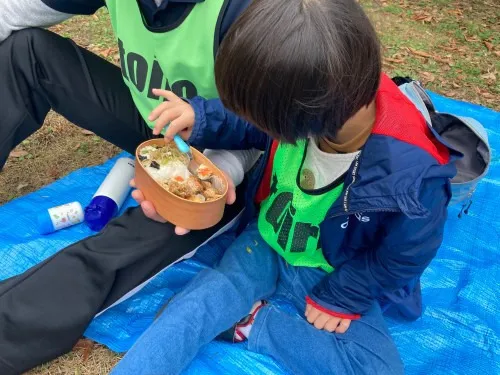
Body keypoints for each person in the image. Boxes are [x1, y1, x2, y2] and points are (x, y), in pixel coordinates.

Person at [111, 0, 458, 374]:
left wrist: (344, 294)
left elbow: (403, 257)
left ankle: (249, 324)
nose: (256, 124)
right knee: (196, 308)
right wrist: (203, 117)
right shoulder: (315, 90)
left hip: (331, 268)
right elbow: (254, 119)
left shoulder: (411, 177)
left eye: (262, 117)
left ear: (300, 116)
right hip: (266, 238)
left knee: (376, 368)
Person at [0, 1, 261, 374]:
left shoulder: (241, 11)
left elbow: (265, 121)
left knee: (133, 239)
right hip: (155, 122)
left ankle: (9, 327)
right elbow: (13, 11)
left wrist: (200, 183)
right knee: (28, 54)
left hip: (225, 158)